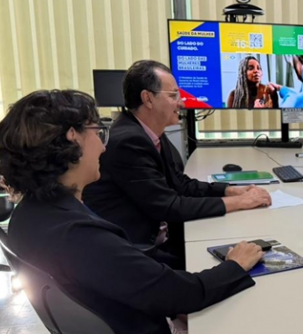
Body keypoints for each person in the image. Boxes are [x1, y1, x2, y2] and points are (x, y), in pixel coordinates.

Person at [0, 89, 264, 334]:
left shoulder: (34, 213)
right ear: (73, 138)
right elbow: (182, 296)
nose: (104, 144)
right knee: (255, 326)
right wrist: (235, 264)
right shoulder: (75, 233)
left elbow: (131, 267)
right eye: (97, 132)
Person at [82, 60, 270, 268]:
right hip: (142, 252)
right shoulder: (128, 141)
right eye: (173, 96)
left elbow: (180, 184)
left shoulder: (149, 132)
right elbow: (169, 206)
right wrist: (242, 202)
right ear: (148, 99)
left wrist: (229, 191)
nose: (181, 102)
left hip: (163, 237)